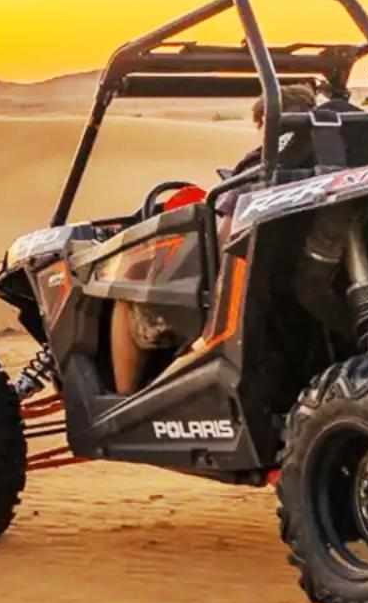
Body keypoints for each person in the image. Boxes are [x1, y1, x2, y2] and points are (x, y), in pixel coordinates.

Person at [107, 79, 327, 395]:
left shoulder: (262, 167)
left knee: (125, 294)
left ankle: (123, 401)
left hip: (238, 300)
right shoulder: (329, 161)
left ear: (265, 123)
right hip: (297, 293)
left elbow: (226, 240)